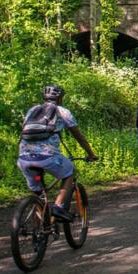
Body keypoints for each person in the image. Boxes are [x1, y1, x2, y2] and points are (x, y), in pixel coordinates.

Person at [17, 85, 97, 222]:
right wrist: (90, 153)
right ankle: (59, 207)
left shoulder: (33, 110)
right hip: (47, 156)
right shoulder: (63, 112)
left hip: (24, 157)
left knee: (38, 194)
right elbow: (78, 136)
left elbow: (24, 132)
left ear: (44, 98)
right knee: (69, 171)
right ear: (60, 99)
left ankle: (41, 231)